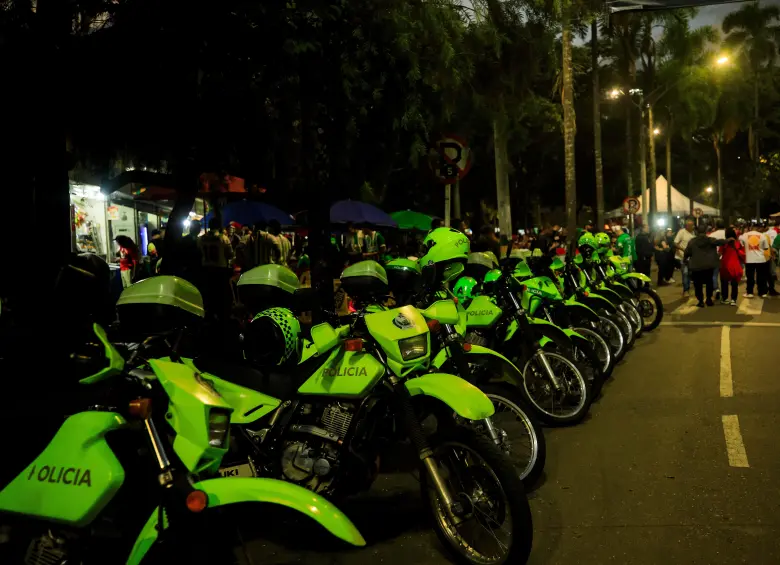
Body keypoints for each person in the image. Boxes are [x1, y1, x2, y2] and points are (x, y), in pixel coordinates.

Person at [198, 218, 234, 319]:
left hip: (206, 269)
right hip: (220, 269)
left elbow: (199, 253)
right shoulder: (223, 238)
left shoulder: (201, 239)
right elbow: (230, 254)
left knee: (209, 294)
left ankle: (210, 314)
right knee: (221, 295)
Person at [684, 225, 726, 307]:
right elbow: (720, 242)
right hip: (708, 265)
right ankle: (709, 299)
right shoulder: (710, 240)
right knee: (709, 282)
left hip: (696, 266)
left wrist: (685, 260)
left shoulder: (692, 241)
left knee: (697, 284)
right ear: (706, 231)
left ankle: (700, 301)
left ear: (697, 232)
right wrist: (729, 240)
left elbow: (687, 252)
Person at [739, 223, 770, 298]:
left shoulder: (744, 235)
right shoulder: (762, 235)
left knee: (750, 277)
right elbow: (766, 247)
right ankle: (762, 292)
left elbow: (741, 244)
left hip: (749, 259)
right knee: (761, 276)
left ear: (751, 227)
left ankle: (750, 292)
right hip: (760, 259)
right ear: (758, 228)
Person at [719, 227, 745, 306]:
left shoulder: (724, 243)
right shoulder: (738, 243)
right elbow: (742, 252)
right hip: (735, 265)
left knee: (724, 282)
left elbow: (719, 253)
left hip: (725, 264)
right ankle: (733, 299)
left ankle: (725, 298)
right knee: (734, 283)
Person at [674, 218, 696, 297]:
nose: (693, 227)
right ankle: (685, 290)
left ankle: (688, 288)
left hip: (691, 257)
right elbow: (675, 243)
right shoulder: (681, 232)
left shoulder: (693, 233)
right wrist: (683, 249)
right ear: (687, 226)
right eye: (691, 225)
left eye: (693, 225)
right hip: (683, 257)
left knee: (690, 273)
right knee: (685, 273)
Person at [709, 220, 726, 301]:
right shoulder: (727, 234)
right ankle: (725, 294)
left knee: (714, 275)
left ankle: (716, 289)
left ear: (716, 226)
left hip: (715, 257)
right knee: (724, 277)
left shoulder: (712, 235)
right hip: (726, 257)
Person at [762, 223, 780, 296]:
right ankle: (770, 289)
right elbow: (773, 247)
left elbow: (773, 247)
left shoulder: (765, 235)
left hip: (765, 256)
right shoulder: (775, 234)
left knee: (766, 273)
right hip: (767, 256)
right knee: (769, 273)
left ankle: (765, 289)